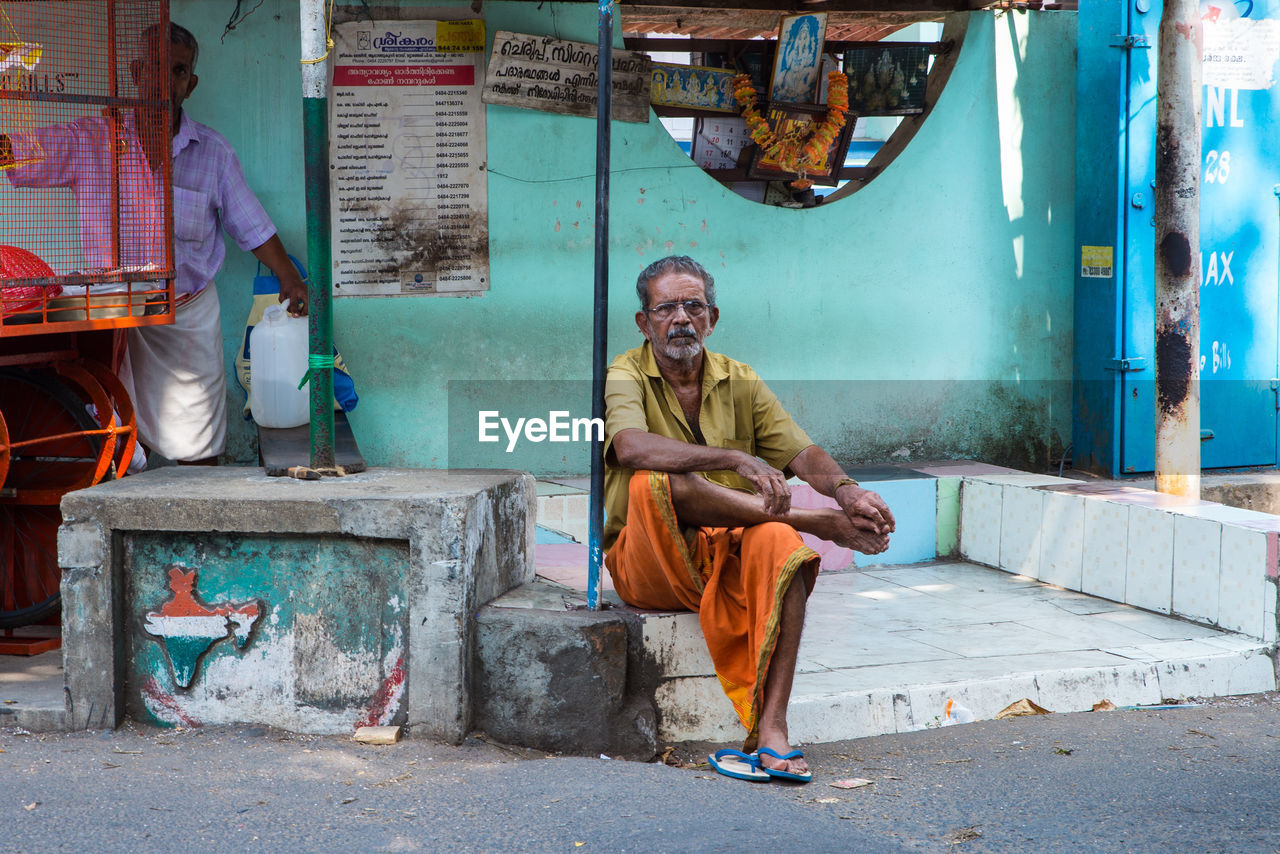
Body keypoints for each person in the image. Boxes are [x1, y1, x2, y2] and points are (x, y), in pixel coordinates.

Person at [603, 255, 895, 783]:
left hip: (727, 553)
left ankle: (773, 729)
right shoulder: (626, 372)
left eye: (693, 306)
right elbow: (629, 446)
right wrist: (733, 457)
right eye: (665, 308)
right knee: (654, 481)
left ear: (712, 318)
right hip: (650, 562)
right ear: (644, 323)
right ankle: (815, 521)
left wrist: (848, 492)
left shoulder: (740, 379)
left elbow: (801, 453)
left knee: (783, 545)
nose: (681, 318)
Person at [2, 22, 307, 465]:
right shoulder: (92, 139)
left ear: (191, 83)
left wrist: (290, 277)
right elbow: (24, 150)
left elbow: (252, 226)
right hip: (116, 312)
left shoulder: (213, 153)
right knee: (117, 438)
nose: (166, 82)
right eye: (156, 69)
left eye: (179, 71)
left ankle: (201, 523)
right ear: (135, 72)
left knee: (198, 443)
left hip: (186, 312)